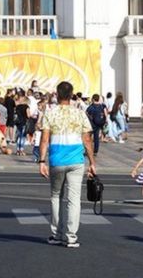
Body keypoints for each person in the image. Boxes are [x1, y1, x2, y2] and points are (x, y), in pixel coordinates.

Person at [38, 81, 96, 248]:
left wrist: (42, 161)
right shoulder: (80, 114)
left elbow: (44, 139)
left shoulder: (50, 113)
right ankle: (71, 237)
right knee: (74, 199)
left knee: (56, 196)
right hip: (76, 161)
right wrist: (92, 162)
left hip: (56, 160)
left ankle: (56, 234)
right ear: (71, 95)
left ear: (57, 94)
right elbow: (87, 140)